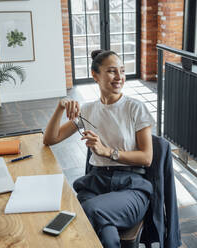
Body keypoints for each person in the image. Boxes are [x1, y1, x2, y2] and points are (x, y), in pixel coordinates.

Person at [43, 50, 155, 248]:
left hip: (131, 188)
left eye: (121, 70)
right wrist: (61, 107)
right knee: (108, 236)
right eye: (112, 71)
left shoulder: (135, 108)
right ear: (95, 75)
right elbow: (51, 139)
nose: (119, 77)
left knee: (86, 210)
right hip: (96, 185)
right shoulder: (88, 111)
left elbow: (146, 157)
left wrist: (107, 151)